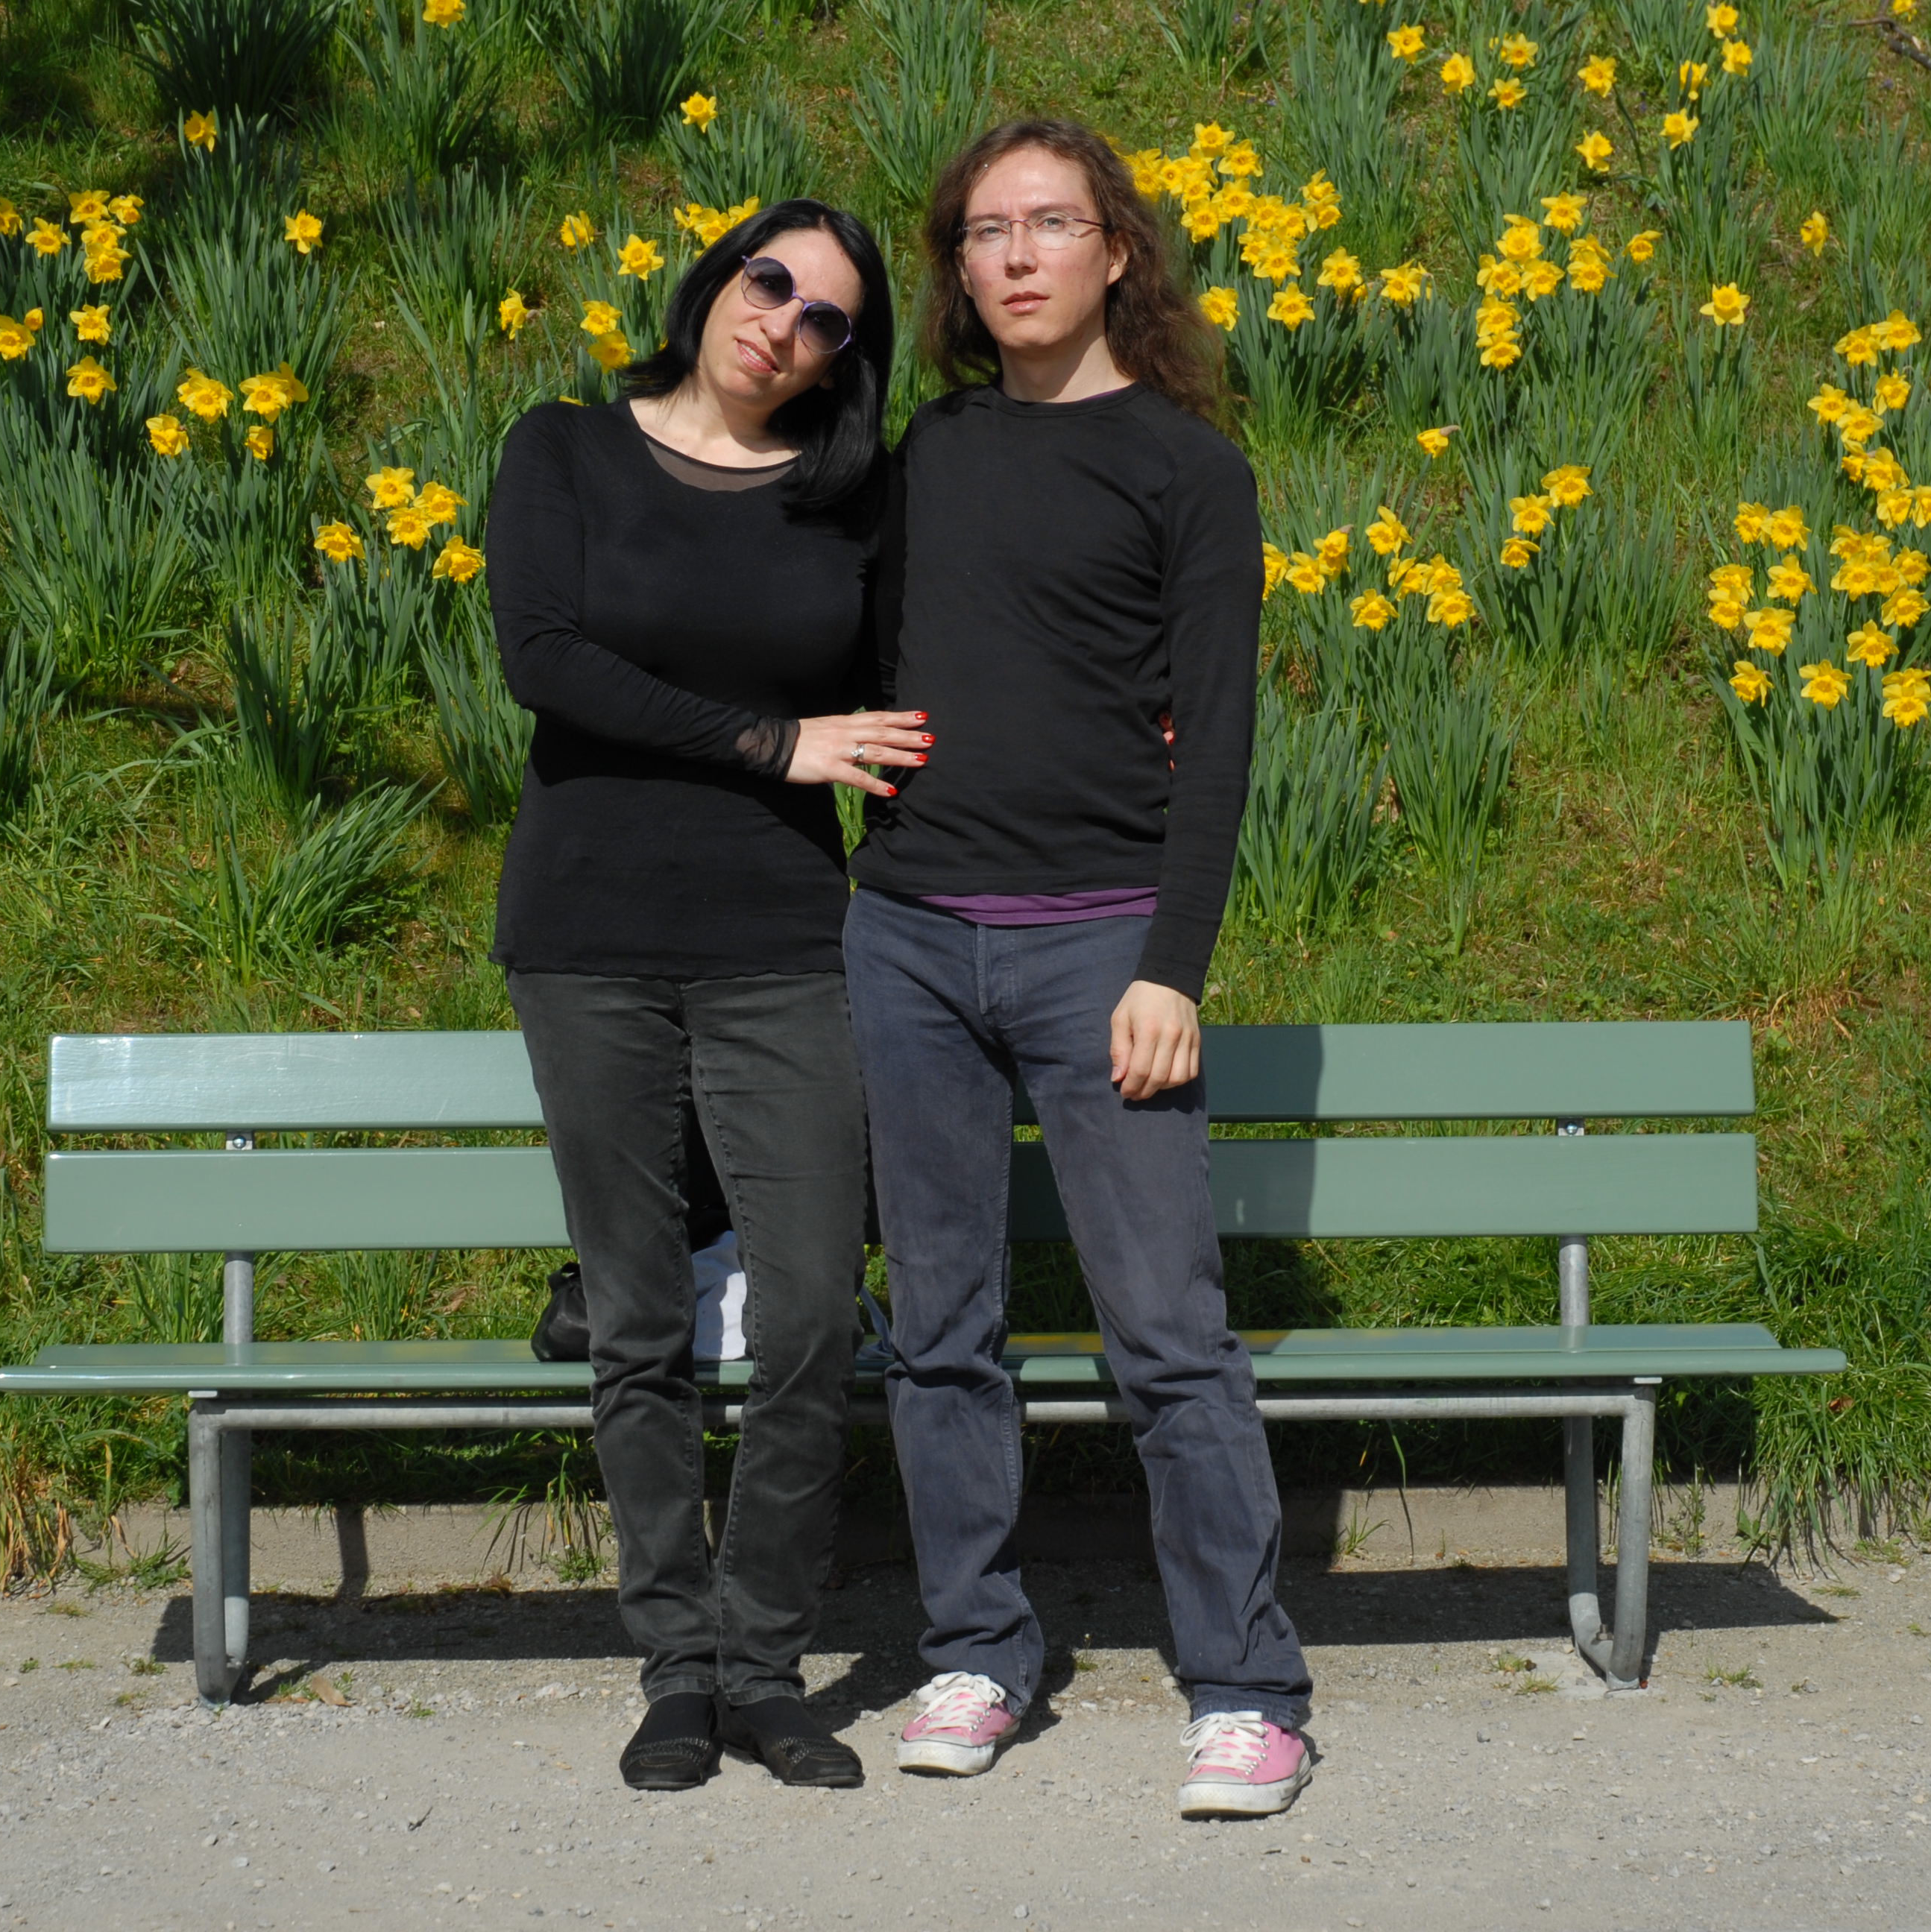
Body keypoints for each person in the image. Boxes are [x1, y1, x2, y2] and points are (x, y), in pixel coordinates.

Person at [845, 121, 1315, 1820]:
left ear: (1118, 251)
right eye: (987, 231)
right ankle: (976, 1652)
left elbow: (1221, 742)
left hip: (1103, 949)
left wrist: (1172, 965)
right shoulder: (925, 454)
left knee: (1168, 1337)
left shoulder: (1188, 471)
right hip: (906, 941)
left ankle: (1248, 1692)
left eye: (1052, 223)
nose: (1019, 254)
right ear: (959, 270)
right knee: (939, 1332)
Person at [486, 198, 927, 1794]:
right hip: (587, 935)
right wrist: (769, 743)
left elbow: (909, 709)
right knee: (640, 1321)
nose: (784, 324)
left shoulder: (847, 503)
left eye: (826, 320)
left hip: (785, 940)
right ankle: (678, 1668)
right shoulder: (563, 450)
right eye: (770, 281)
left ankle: (765, 1664)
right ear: (716, 277)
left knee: (809, 1312)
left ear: (841, 363)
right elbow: (544, 660)